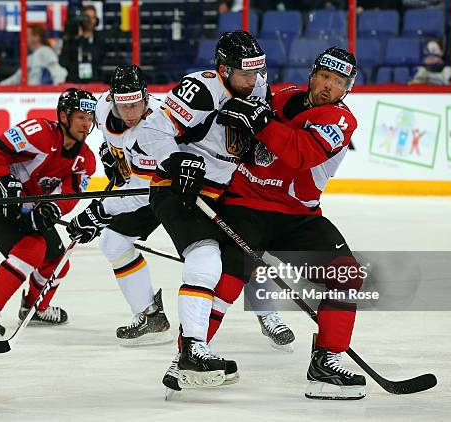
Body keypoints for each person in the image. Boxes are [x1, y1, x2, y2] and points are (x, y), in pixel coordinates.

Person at [102, 31, 293, 391]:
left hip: (223, 191)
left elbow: (252, 148)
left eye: (257, 73)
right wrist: (178, 159)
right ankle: (192, 349)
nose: (252, 82)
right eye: (244, 74)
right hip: (177, 190)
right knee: (205, 259)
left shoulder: (258, 87)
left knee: (247, 255)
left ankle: (263, 318)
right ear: (223, 69)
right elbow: (153, 134)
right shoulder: (201, 89)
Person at [214, 47, 367, 400]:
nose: (329, 86)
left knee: (347, 274)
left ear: (348, 88)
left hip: (298, 216)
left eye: (339, 82)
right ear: (313, 75)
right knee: (227, 275)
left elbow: (301, 153)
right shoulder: (278, 95)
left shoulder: (341, 121)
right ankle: (190, 354)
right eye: (326, 77)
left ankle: (327, 360)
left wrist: (262, 123)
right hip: (244, 204)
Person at [0, 88, 97, 340]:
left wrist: (52, 209)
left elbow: (68, 195)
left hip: (29, 210)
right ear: (64, 117)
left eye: (90, 118)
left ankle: (34, 309)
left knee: (57, 261)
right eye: (81, 117)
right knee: (33, 249)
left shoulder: (85, 160)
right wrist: (6, 180)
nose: (87, 124)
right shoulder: (39, 132)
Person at [67, 65, 173, 346]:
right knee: (113, 243)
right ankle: (150, 314)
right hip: (147, 186)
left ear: (147, 98)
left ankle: (269, 314)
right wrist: (109, 154)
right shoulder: (102, 108)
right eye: (123, 105)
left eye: (136, 104)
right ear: (112, 99)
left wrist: (98, 212)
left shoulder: (154, 127)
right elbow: (112, 140)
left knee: (222, 252)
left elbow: (141, 192)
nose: (130, 113)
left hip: (174, 190)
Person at [0, 24, 68, 86]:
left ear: (36, 37)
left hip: (41, 94)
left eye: (27, 35)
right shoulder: (30, 58)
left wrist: (56, 91)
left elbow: (58, 72)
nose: (25, 39)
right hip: (34, 94)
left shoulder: (45, 52)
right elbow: (18, 77)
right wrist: (0, 85)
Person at [60, 4, 105, 83]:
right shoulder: (72, 40)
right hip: (74, 82)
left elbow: (99, 60)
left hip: (95, 82)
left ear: (96, 20)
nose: (90, 20)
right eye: (87, 17)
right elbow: (64, 62)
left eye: (93, 17)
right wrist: (77, 39)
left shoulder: (100, 39)